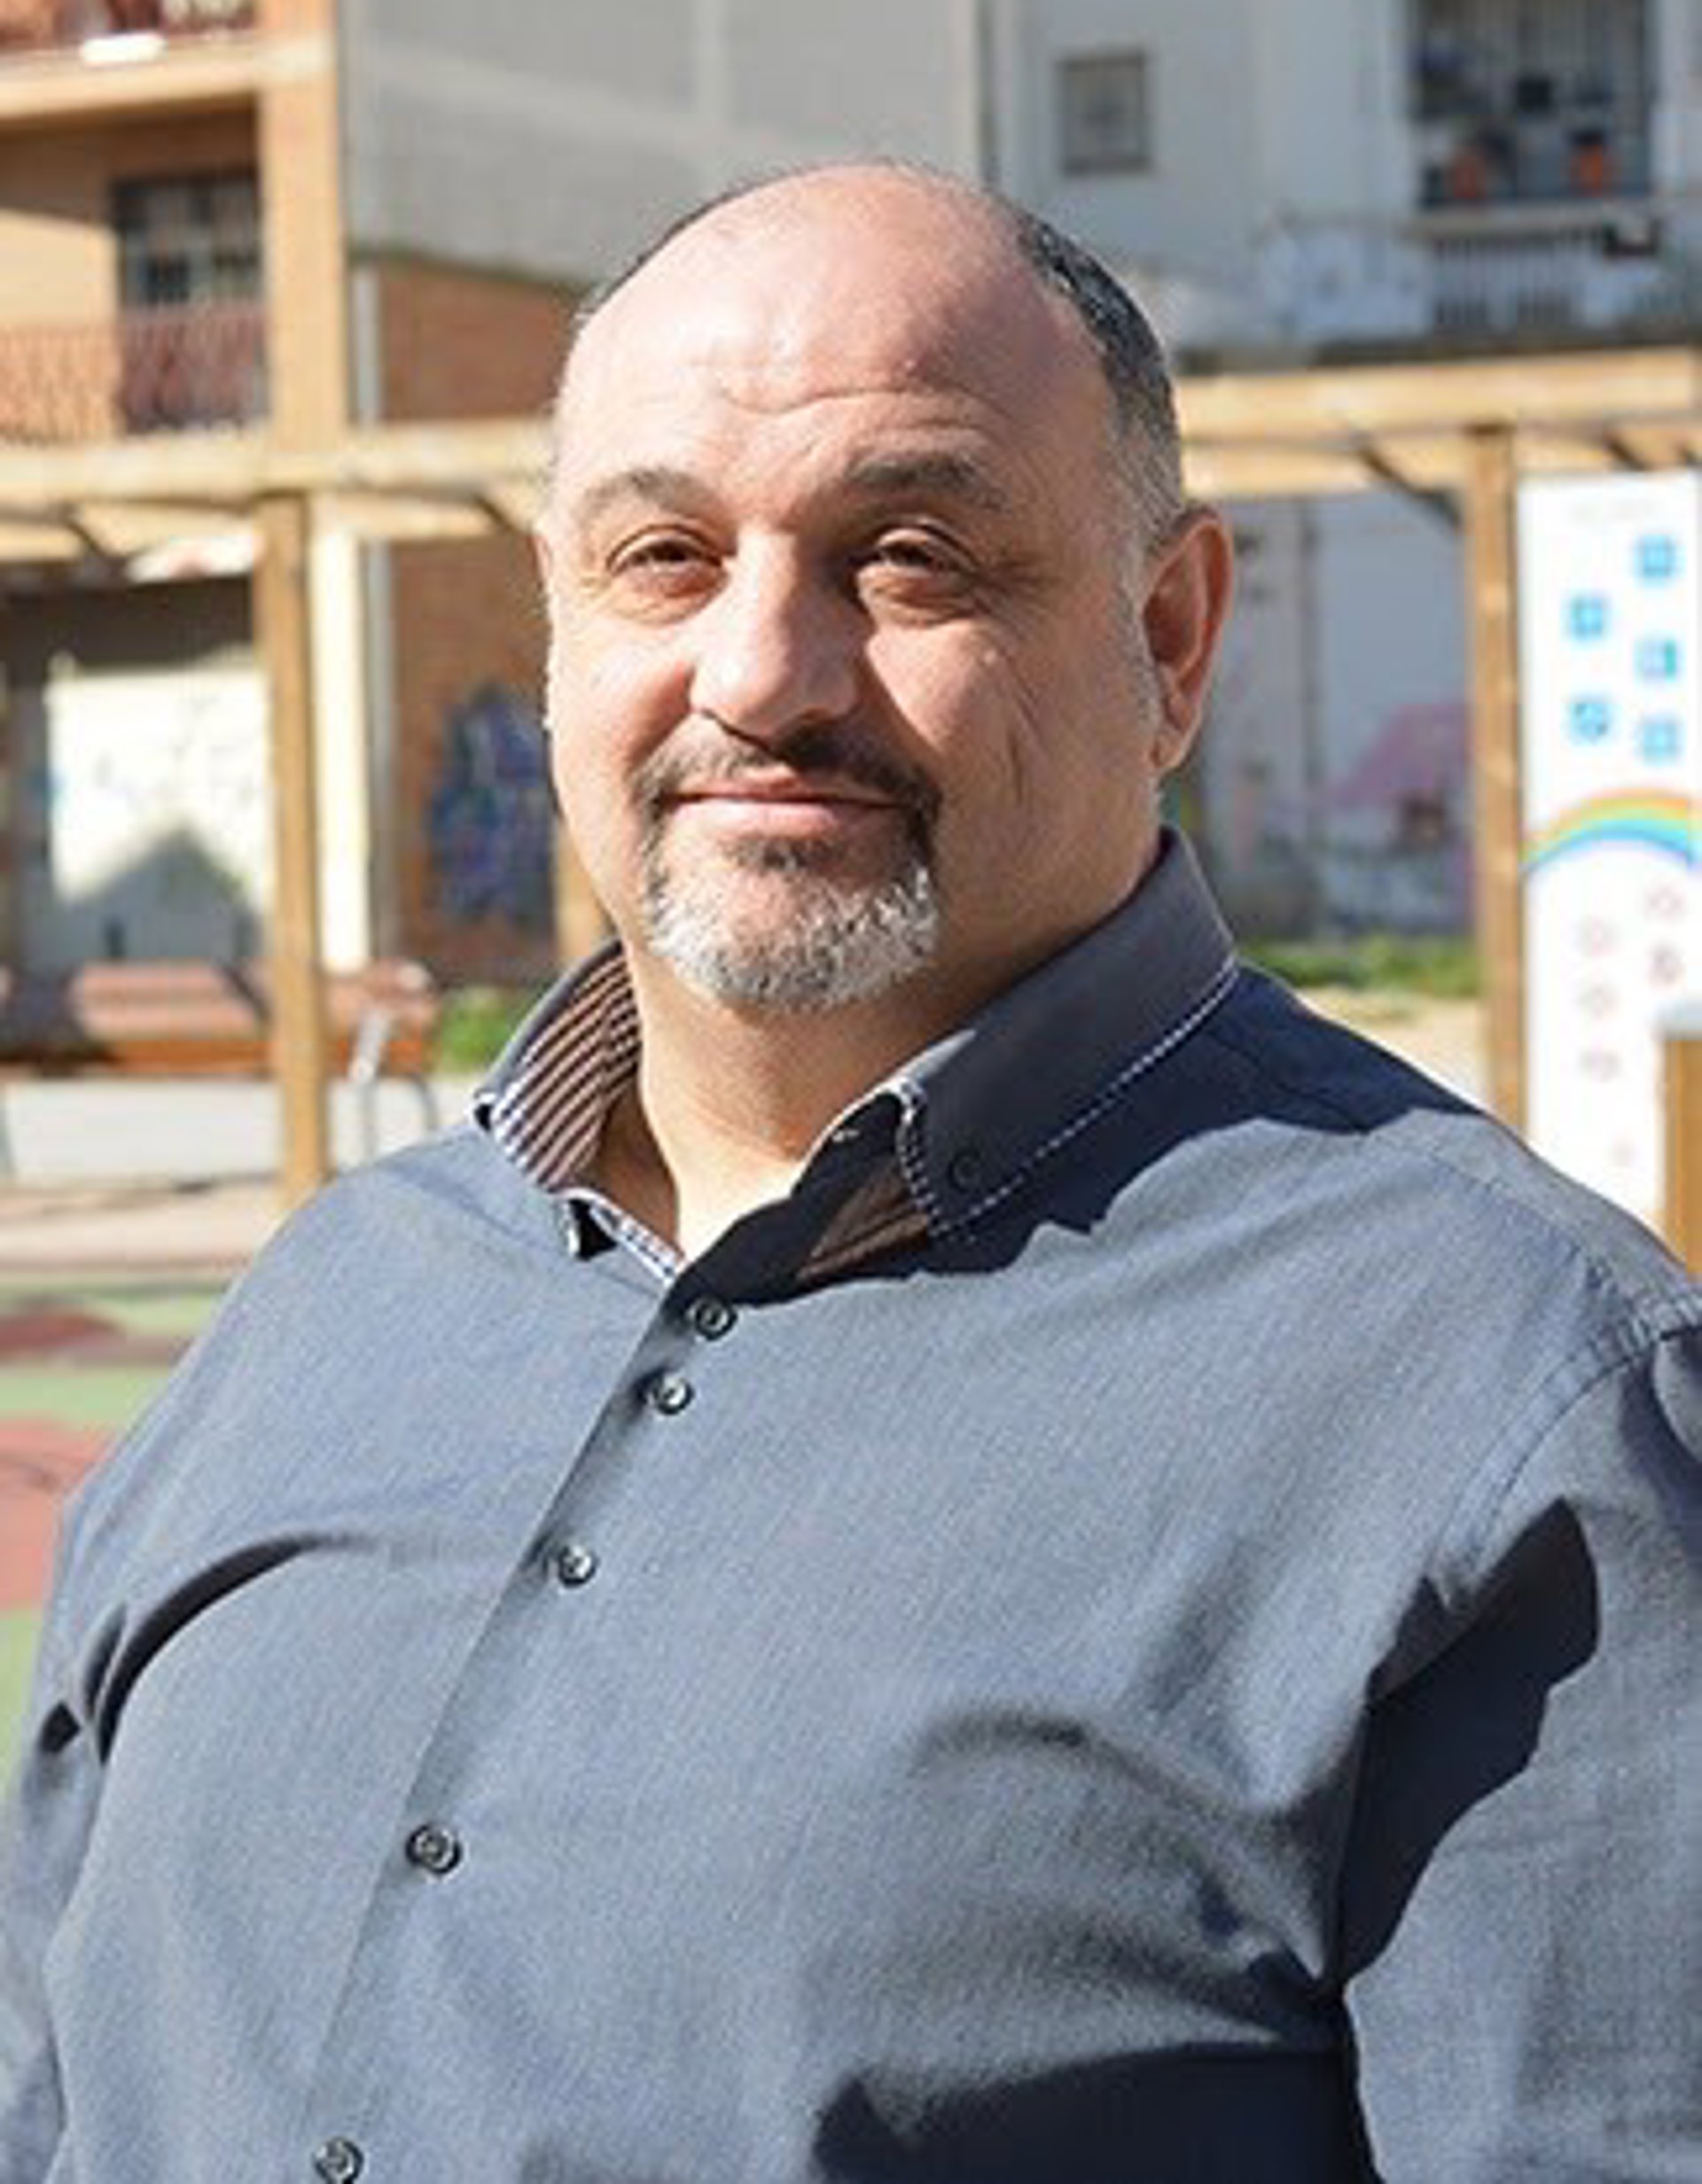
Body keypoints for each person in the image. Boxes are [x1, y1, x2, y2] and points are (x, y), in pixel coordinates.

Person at [2, 161, 1698, 2183]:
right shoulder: (325, 1313)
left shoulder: (1510, 1399)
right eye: (662, 558)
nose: (760, 675)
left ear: (1170, 638)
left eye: (907, 557)